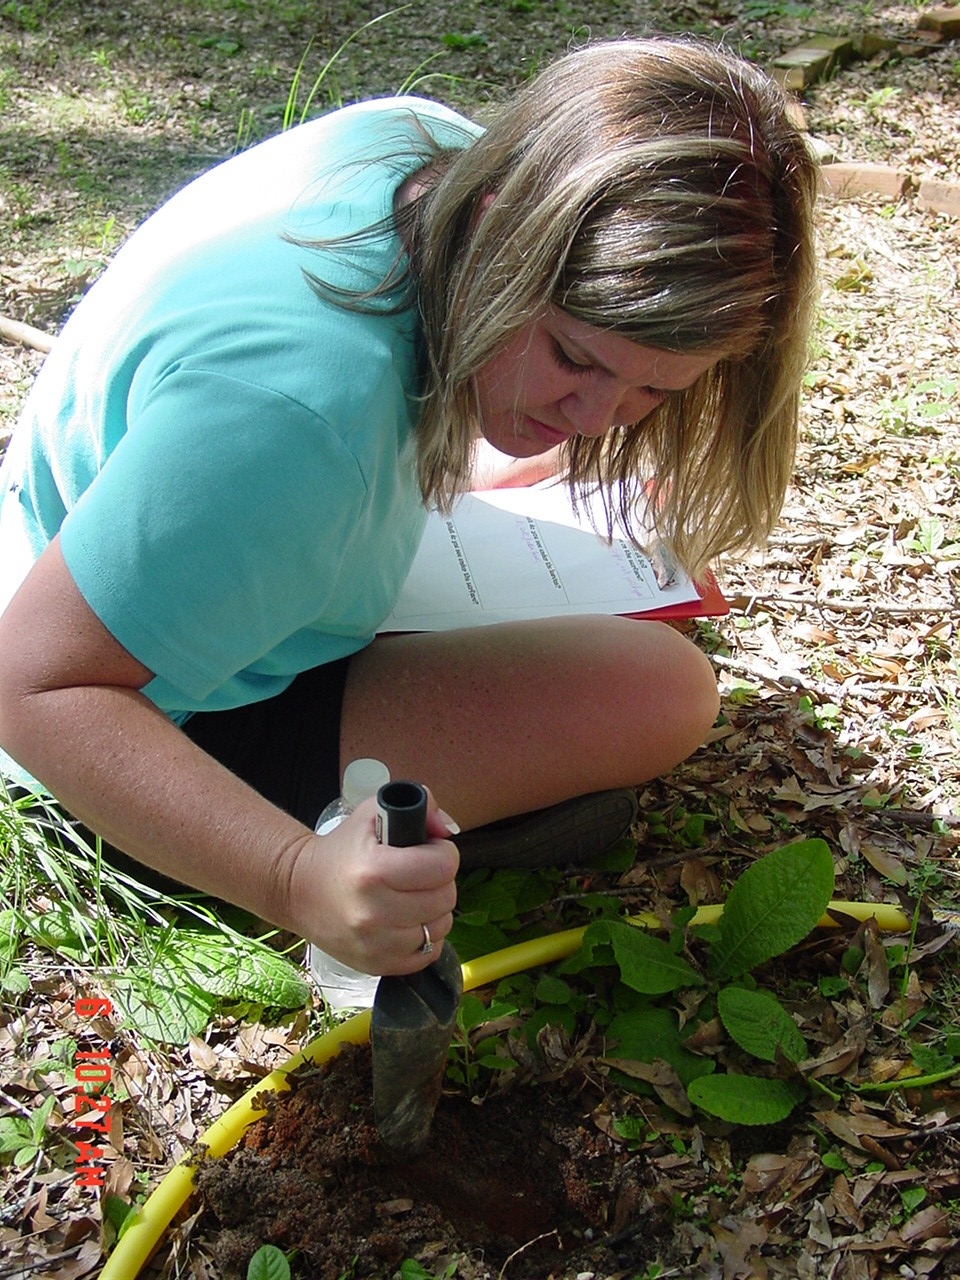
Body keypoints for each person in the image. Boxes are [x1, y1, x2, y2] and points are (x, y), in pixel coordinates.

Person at [0, 36, 818, 983]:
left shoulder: (421, 144)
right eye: (573, 360)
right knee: (660, 693)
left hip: (116, 549)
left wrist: (476, 447)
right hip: (121, 730)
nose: (593, 421)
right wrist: (295, 876)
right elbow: (31, 686)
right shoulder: (297, 415)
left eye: (657, 391)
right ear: (505, 224)